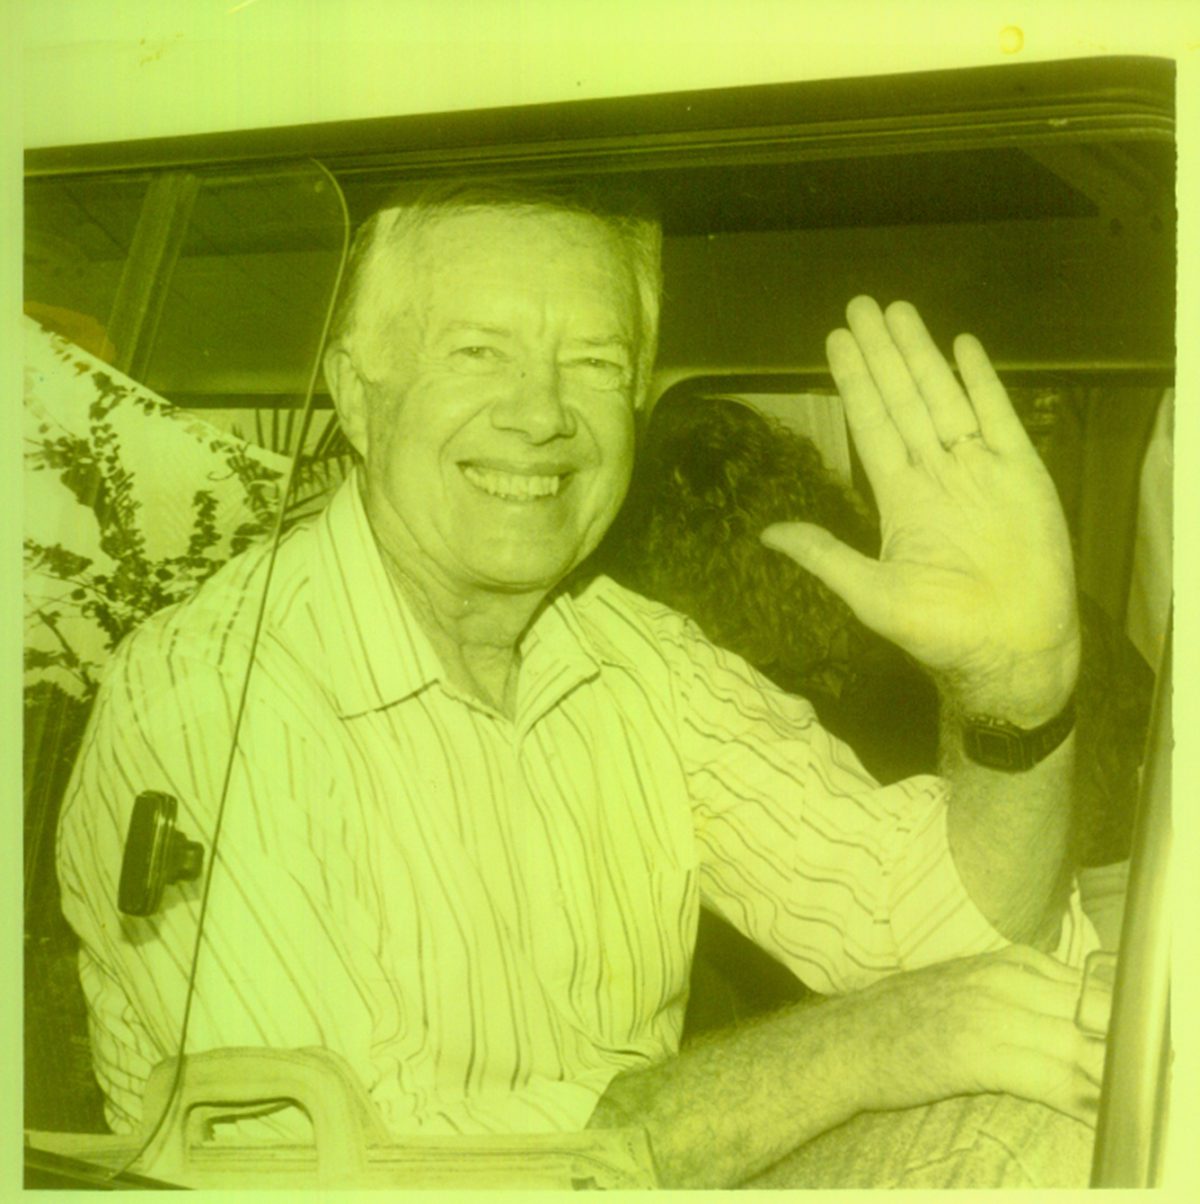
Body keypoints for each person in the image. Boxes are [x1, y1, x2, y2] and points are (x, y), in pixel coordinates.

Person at [57, 179, 1103, 1188]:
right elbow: (352, 1168)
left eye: (596, 363)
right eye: (479, 353)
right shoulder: (213, 696)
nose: (544, 415)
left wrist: (1013, 693)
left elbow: (935, 933)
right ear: (355, 393)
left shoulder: (635, 658)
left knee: (1058, 1114)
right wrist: (859, 1050)